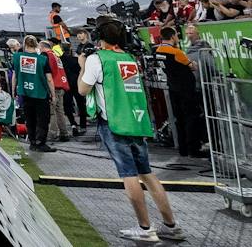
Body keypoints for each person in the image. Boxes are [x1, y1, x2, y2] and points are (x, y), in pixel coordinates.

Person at [79, 19, 186, 242]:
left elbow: (82, 89)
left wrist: (82, 66)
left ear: (100, 36)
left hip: (115, 123)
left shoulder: (96, 59)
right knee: (146, 173)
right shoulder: (128, 58)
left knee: (129, 175)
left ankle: (145, 228)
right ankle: (171, 225)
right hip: (136, 121)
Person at [154, 26, 206, 159]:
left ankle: (183, 148)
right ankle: (193, 149)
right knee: (191, 118)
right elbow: (192, 66)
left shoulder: (158, 50)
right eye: (176, 35)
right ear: (172, 37)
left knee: (179, 119)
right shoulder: (176, 52)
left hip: (173, 88)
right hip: (186, 90)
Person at [13, 35, 55, 152]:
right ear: (37, 45)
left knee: (29, 119)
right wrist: (53, 94)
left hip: (25, 93)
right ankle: (40, 143)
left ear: (24, 45)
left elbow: (15, 76)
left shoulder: (17, 57)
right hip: (40, 93)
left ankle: (32, 142)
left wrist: (13, 91)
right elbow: (49, 79)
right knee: (42, 119)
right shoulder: (42, 59)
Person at [45, 36, 73, 142]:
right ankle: (64, 133)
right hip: (61, 85)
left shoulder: (49, 55)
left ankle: (52, 133)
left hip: (55, 86)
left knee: (53, 111)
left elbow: (49, 73)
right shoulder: (56, 55)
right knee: (60, 111)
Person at [61, 31, 87, 134]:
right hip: (77, 83)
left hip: (66, 85)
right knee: (81, 104)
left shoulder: (60, 60)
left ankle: (72, 124)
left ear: (62, 49)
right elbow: (81, 70)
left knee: (67, 105)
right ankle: (83, 125)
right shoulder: (76, 60)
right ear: (71, 48)